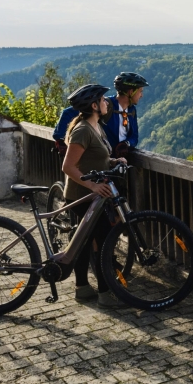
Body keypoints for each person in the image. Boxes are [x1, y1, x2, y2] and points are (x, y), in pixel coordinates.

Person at [61, 84, 127, 308]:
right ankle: (106, 294)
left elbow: (94, 158)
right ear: (94, 105)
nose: (107, 102)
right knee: (104, 241)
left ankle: (83, 289)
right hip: (83, 197)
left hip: (93, 197)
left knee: (85, 242)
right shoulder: (83, 130)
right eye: (102, 100)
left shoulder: (95, 127)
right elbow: (68, 166)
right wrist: (92, 185)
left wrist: (113, 161)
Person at [53, 72, 148, 158]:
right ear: (131, 92)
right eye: (140, 91)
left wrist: (126, 144)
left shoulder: (131, 111)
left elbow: (134, 136)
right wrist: (60, 139)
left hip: (118, 163)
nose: (141, 95)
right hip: (100, 161)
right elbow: (69, 112)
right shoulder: (105, 105)